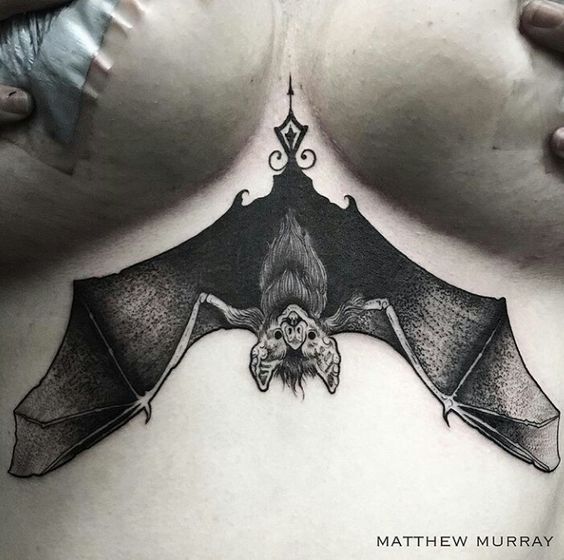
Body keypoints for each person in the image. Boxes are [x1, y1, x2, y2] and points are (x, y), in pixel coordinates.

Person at [0, 2, 562, 559]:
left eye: (283, 337)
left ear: (260, 337)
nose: (293, 330)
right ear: (327, 335)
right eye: (307, 336)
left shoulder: (233, 306)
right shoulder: (355, 307)